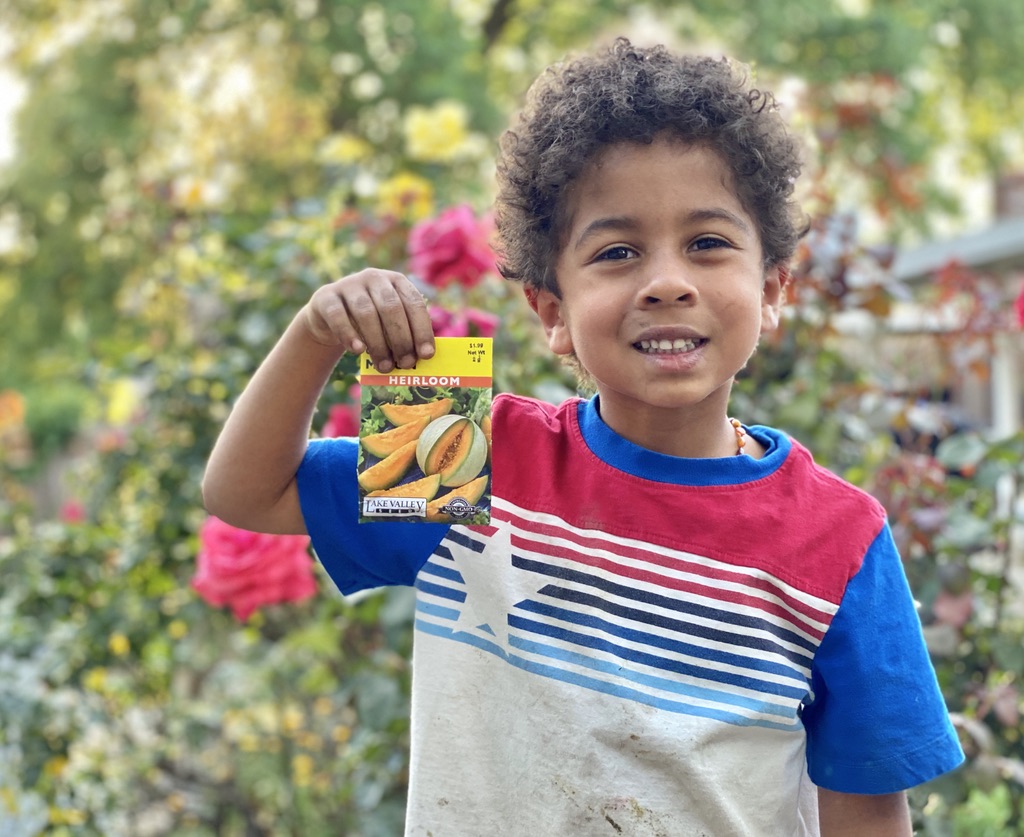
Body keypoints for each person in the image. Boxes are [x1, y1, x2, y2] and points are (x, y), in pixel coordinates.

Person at [203, 38, 963, 836]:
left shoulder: (838, 537)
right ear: (552, 312)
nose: (667, 280)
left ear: (772, 289)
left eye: (707, 242)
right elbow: (245, 492)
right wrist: (314, 334)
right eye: (617, 251)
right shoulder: (473, 455)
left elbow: (870, 812)